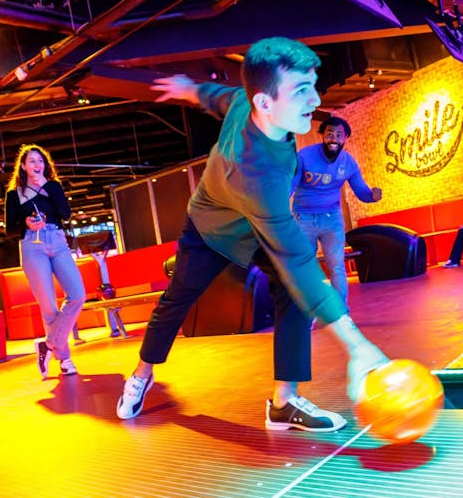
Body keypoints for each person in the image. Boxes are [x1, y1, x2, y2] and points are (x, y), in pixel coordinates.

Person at [116, 37, 389, 431]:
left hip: (259, 224)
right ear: (265, 103)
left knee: (290, 295)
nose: (315, 101)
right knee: (177, 301)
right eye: (300, 91)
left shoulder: (250, 104)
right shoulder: (256, 175)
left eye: (312, 85)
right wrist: (356, 345)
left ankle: (284, 402)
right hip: (212, 229)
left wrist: (190, 89)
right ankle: (142, 374)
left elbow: (220, 96)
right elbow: (297, 261)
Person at [4, 144, 86, 378]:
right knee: (48, 306)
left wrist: (48, 188)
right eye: (32, 161)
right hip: (32, 245)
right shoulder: (14, 194)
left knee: (78, 294)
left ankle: (48, 345)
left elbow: (66, 214)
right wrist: (26, 224)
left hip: (58, 242)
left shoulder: (53, 186)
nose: (37, 165)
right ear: (23, 166)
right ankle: (65, 360)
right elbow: (9, 229)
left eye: (40, 161)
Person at [291, 116, 382, 306]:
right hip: (303, 219)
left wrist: (372, 196)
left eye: (339, 135)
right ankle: (308, 313)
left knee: (337, 267)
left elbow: (361, 191)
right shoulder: (304, 156)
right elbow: (290, 186)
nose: (334, 138)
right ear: (322, 136)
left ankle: (340, 313)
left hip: (332, 219)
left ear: (345, 138)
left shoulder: (348, 163)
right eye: (329, 134)